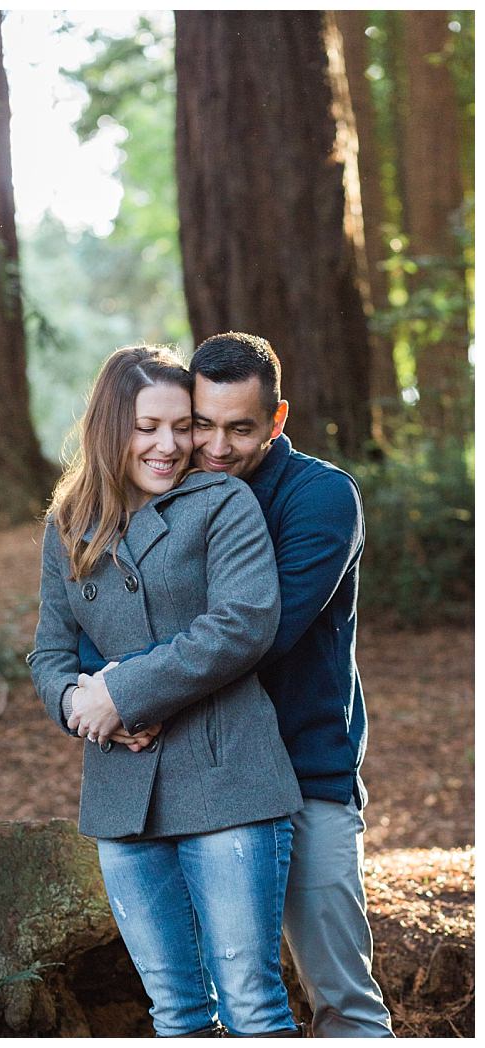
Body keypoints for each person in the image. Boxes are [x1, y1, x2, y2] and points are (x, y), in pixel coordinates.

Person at [113, 331, 390, 1037]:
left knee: (342, 1000)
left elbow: (258, 635)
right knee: (210, 995)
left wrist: (133, 692)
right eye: (202, 423)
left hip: (305, 772)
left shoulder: (320, 498)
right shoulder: (164, 492)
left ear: (278, 417)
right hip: (208, 779)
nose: (215, 445)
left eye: (240, 428)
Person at [28, 345, 304, 1037]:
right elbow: (50, 652)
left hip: (228, 779)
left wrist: (124, 691)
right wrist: (76, 704)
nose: (171, 444)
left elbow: (242, 625)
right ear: (110, 425)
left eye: (182, 426)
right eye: (148, 426)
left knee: (251, 1002)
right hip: (123, 794)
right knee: (175, 1012)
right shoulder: (69, 523)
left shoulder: (221, 501)